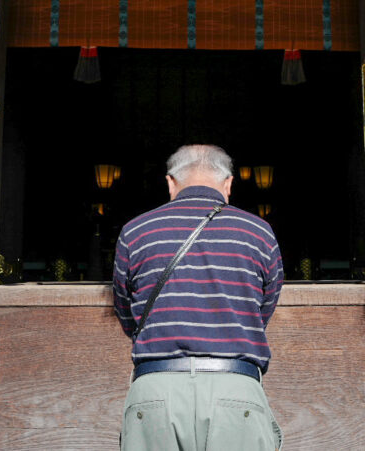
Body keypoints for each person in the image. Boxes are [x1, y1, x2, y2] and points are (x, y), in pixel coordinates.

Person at [113, 144, 284, 451]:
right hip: (236, 389)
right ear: (229, 184)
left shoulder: (135, 232)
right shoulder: (259, 233)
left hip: (155, 391)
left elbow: (127, 315)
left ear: (170, 183)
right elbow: (262, 311)